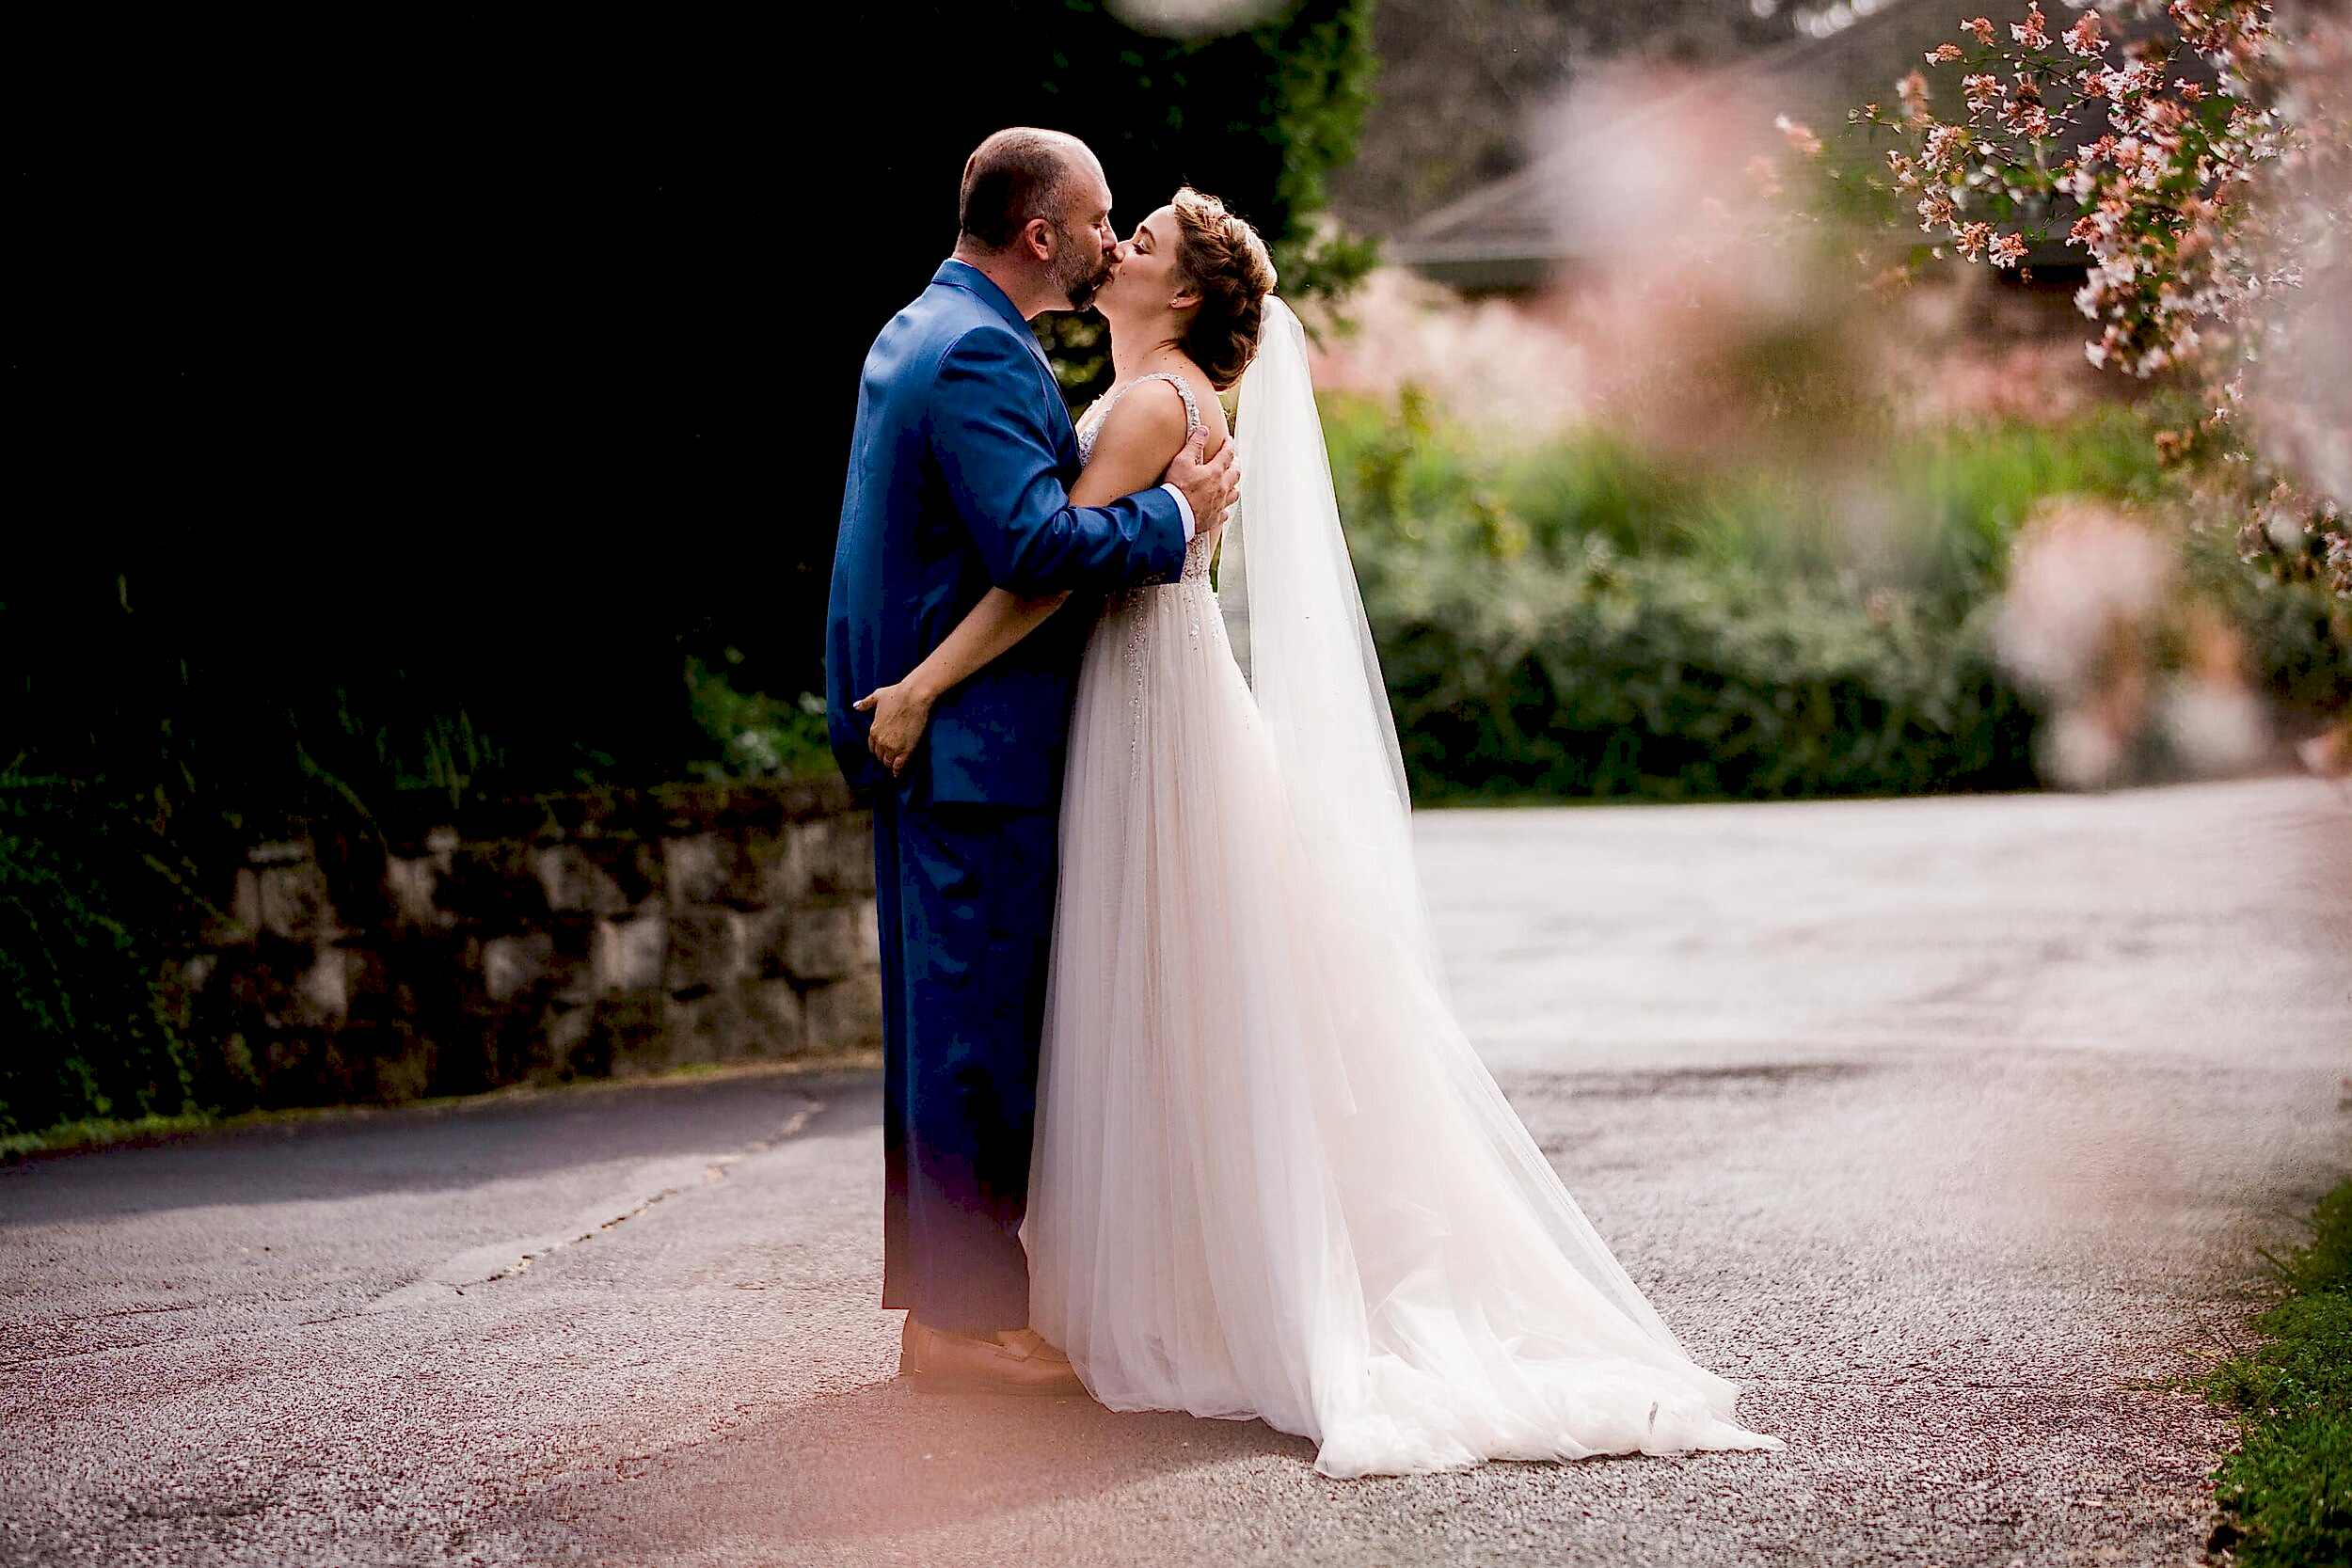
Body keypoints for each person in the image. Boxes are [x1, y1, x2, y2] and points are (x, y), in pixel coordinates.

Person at [853, 184, 1786, 1477]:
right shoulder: (1173, 399)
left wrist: (926, 684)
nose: (1119, 246)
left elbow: (1048, 572)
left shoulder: (1146, 403)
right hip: (1163, 703)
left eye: (1147, 240)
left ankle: (1186, 1291)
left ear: (1180, 296)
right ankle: (1153, 1277)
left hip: (1151, 715)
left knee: (1169, 991)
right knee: (1194, 997)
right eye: (1116, 227)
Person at [826, 129, 1240, 1395]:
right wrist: (1175, 516)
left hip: (936, 734)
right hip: (973, 748)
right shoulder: (985, 356)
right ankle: (961, 1324)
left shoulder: (920, 327)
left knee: (949, 1029)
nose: (1116, 237)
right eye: (1102, 216)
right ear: (1043, 236)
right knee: (971, 1039)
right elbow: (1033, 546)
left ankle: (951, 1309)